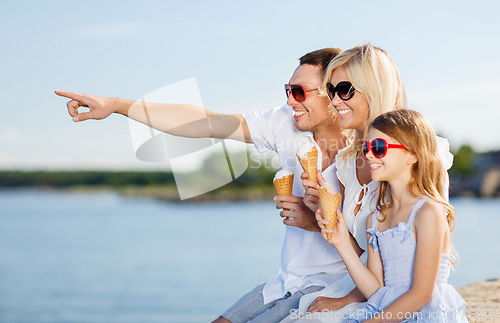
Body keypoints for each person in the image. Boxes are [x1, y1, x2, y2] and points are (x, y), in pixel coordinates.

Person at [55, 48, 351, 323]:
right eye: (287, 91)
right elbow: (205, 122)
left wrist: (315, 222)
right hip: (285, 282)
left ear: (332, 94)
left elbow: (380, 242)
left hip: (334, 287)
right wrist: (117, 105)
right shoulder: (284, 121)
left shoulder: (368, 150)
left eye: (299, 92)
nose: (289, 101)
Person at [282, 44, 453, 322]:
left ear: (373, 88)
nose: (334, 101)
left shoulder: (423, 154)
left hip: (386, 303)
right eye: (331, 91)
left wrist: (346, 301)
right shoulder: (348, 162)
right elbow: (366, 253)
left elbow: (420, 280)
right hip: (368, 290)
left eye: (344, 90)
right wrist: (321, 216)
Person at [319, 109, 468, 322]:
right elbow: (377, 291)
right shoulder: (376, 220)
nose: (369, 154)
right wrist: (341, 243)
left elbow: (421, 295)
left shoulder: (427, 213)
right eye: (366, 147)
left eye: (378, 148)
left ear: (412, 155)